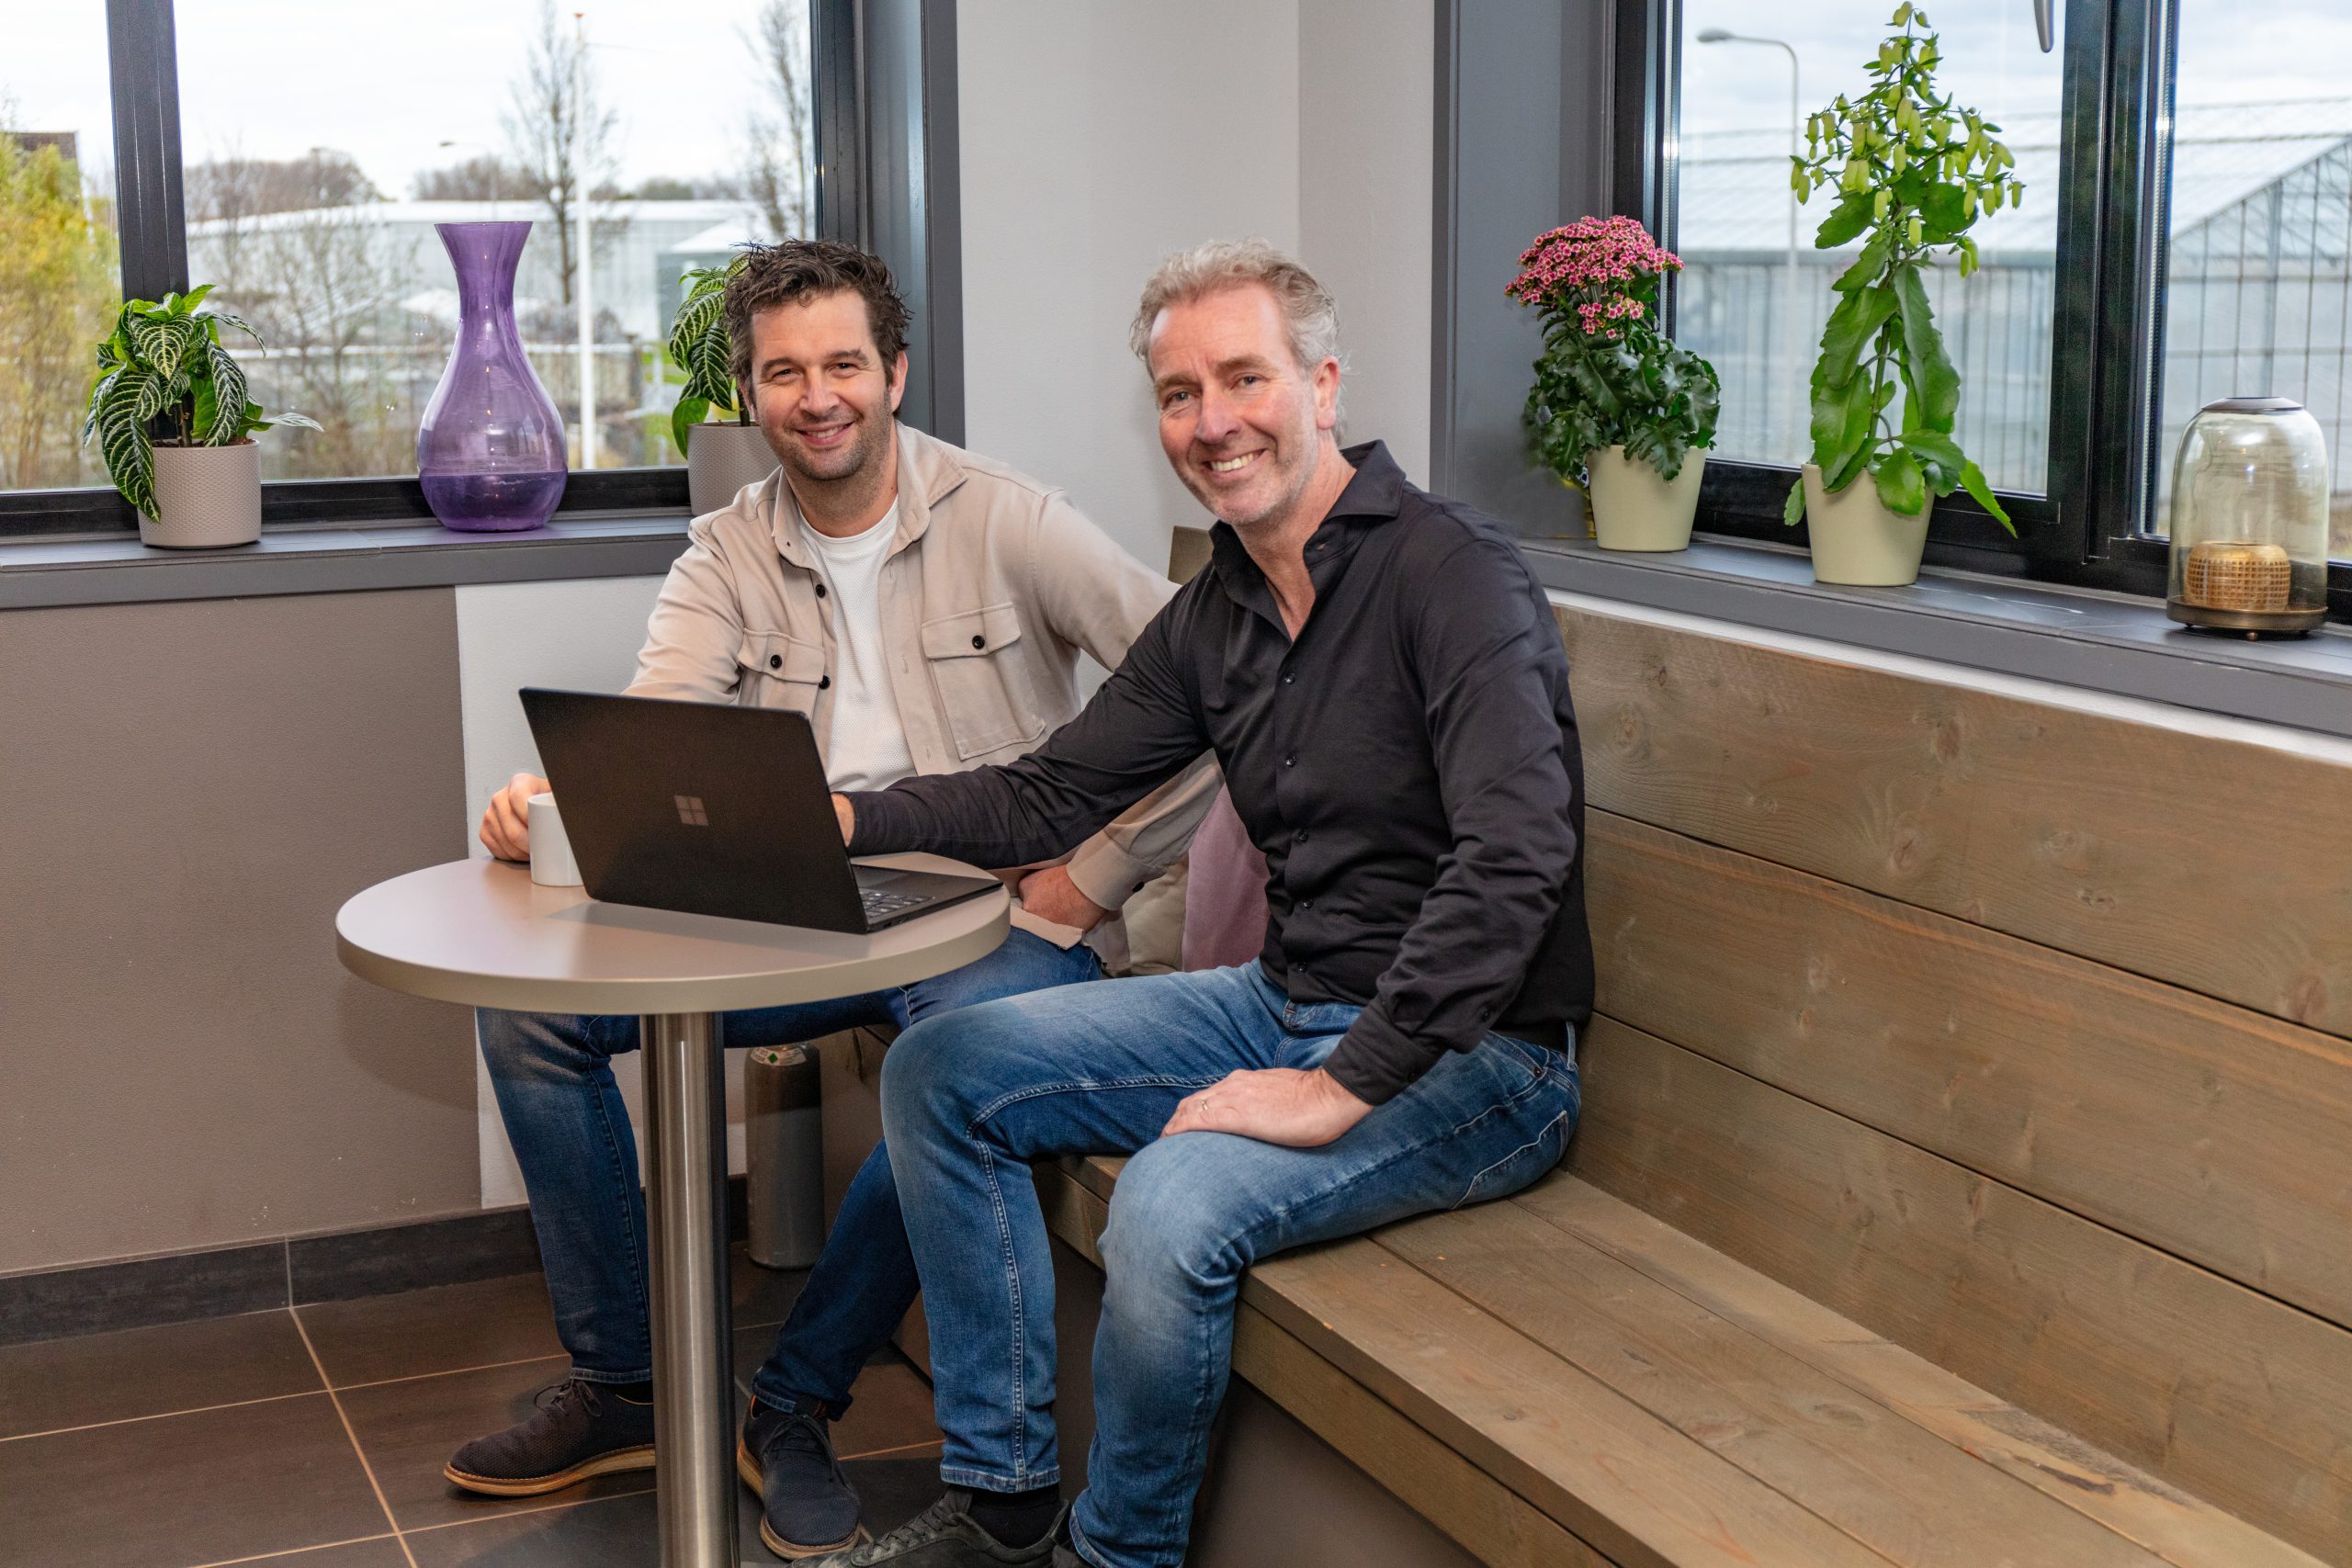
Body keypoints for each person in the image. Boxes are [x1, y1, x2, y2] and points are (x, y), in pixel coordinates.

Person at [808, 240, 1591, 1568]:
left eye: (1244, 378)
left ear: (1322, 385)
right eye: (1180, 394)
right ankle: (1006, 1501)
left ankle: (1118, 1557)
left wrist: (1339, 1085)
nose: (1213, 421)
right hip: (1285, 1002)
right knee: (941, 1069)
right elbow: (1048, 796)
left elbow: (1516, 857)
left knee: (1168, 1204)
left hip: (1481, 1058)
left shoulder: (1451, 571)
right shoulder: (1218, 609)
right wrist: (845, 819)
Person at [450, 239, 1215, 1561]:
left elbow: (1212, 706)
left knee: (955, 1062)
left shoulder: (1013, 521)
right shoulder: (722, 555)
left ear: (895, 373)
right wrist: (548, 806)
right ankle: (629, 1382)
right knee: (526, 1019)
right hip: (797, 905)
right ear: (750, 393)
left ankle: (792, 1403)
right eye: (784, 372)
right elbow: (656, 741)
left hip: (996, 914)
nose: (818, 398)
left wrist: (1091, 876)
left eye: (844, 364)